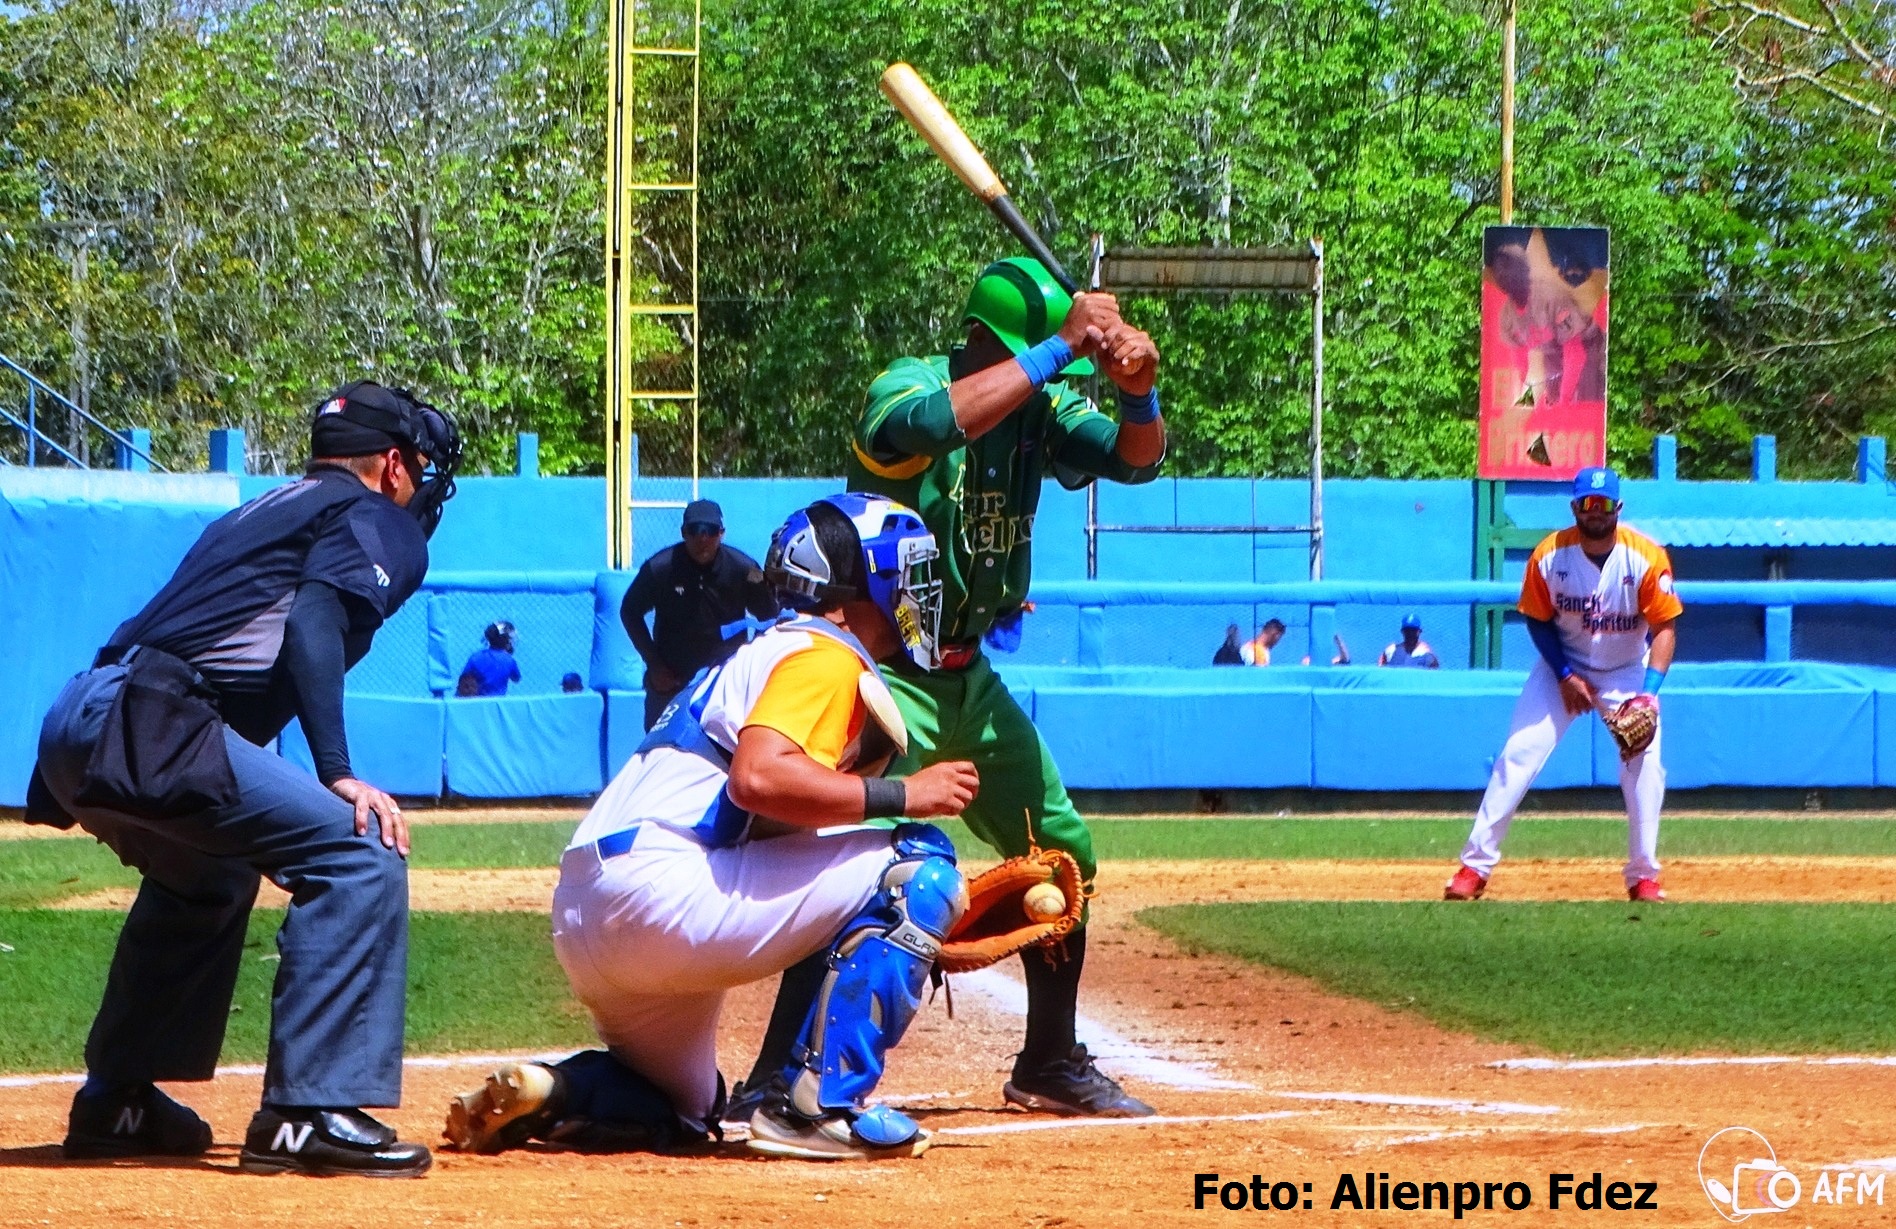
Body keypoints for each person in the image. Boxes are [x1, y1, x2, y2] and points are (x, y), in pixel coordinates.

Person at [733, 256, 1165, 1122]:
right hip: (887, 673)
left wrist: (1138, 391)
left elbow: (1134, 461)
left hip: (971, 674)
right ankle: (778, 1076)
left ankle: (1048, 1060)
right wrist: (1057, 347)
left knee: (1065, 852)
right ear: (994, 337)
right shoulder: (909, 382)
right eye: (1042, 353)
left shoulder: (1043, 404)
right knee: (855, 864)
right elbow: (930, 425)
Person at [442, 494, 978, 1161]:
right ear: (858, 582)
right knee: (919, 866)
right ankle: (818, 1107)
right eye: (902, 571)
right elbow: (757, 778)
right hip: (661, 889)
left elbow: (761, 814)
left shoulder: (757, 652)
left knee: (683, 1109)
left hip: (590, 906)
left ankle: (557, 1088)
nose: (913, 589)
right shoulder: (824, 653)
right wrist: (907, 797)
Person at [23, 382, 459, 1177]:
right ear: (392, 464)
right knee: (360, 850)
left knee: (212, 874)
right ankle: (306, 1113)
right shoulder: (373, 516)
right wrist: (337, 772)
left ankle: (116, 1101)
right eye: (418, 468)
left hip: (82, 715)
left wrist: (70, 772)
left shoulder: (263, 508)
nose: (420, 486)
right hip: (151, 720)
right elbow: (314, 620)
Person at [1445, 467, 1681, 903]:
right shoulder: (1550, 555)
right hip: (1563, 664)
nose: (1595, 512)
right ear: (1574, 507)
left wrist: (1648, 693)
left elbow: (1664, 627)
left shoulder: (1646, 556)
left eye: (1603, 504)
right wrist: (1566, 676)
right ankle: (1473, 867)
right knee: (1518, 754)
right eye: (1587, 504)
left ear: (1617, 507)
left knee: (1646, 768)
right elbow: (1536, 619)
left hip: (1626, 668)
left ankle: (1643, 875)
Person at [620, 499, 781, 729]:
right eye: (695, 530)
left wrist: (752, 669)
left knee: (727, 753)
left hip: (725, 681)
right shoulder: (660, 568)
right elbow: (630, 610)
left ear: (722, 533)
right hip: (672, 682)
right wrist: (655, 665)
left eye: (710, 530)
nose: (702, 538)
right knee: (660, 754)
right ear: (684, 532)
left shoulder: (745, 570)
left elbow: (770, 619)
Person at [457, 621, 521, 696]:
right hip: (498, 702)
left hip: (478, 701)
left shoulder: (476, 657)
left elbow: (464, 679)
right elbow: (516, 678)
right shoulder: (509, 661)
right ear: (506, 640)